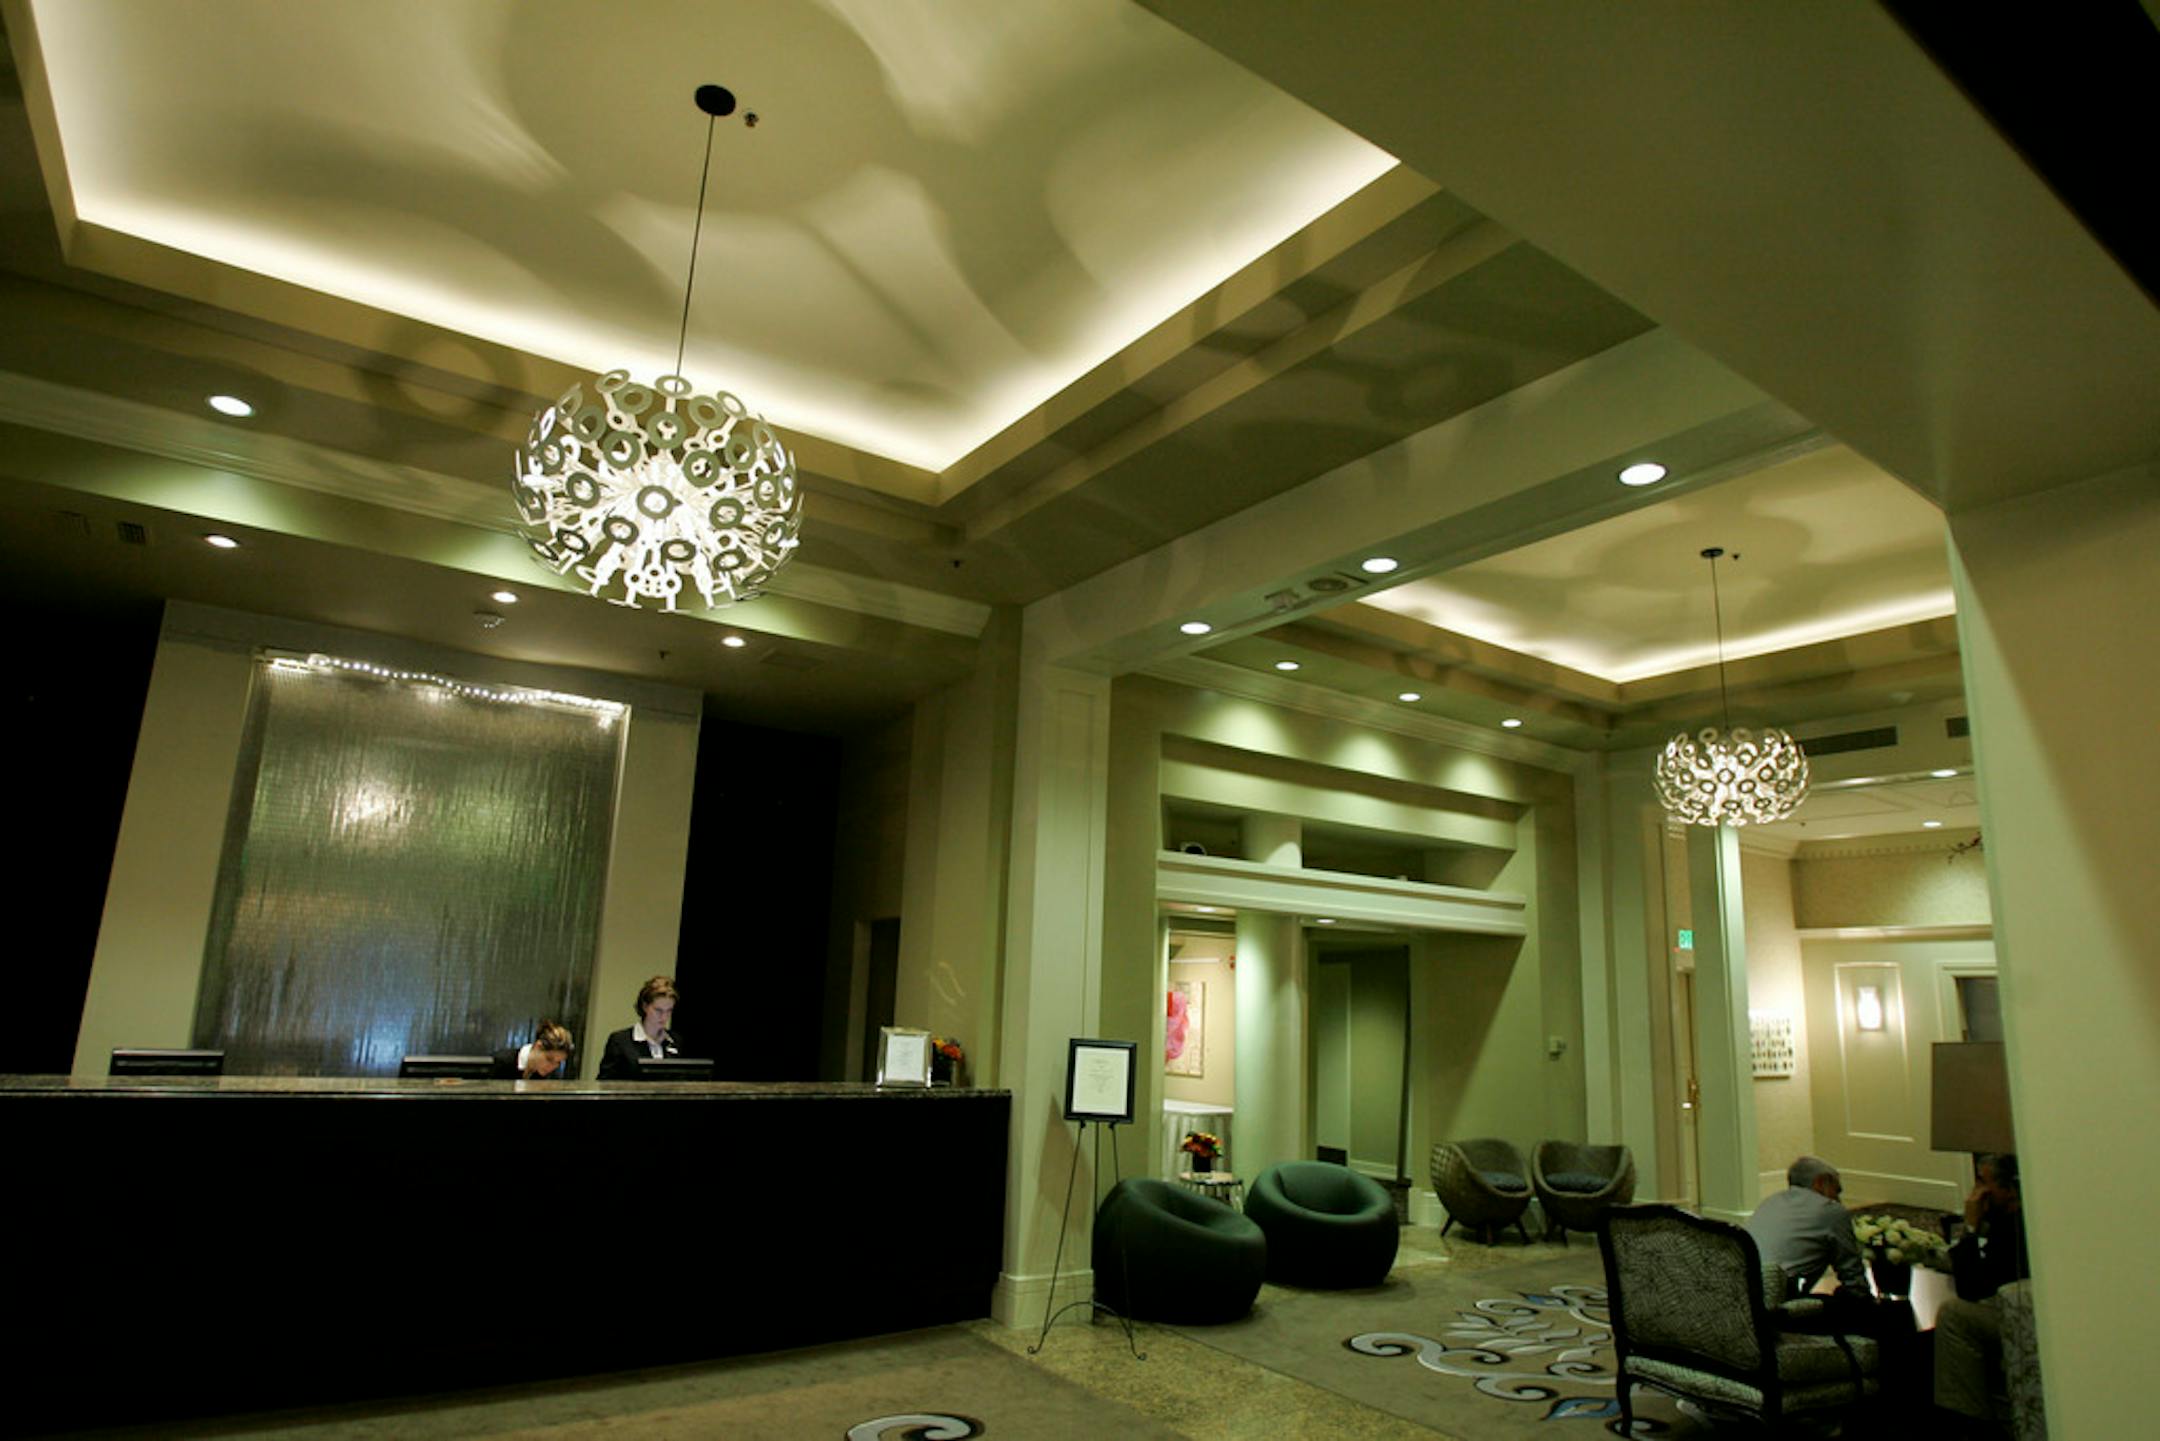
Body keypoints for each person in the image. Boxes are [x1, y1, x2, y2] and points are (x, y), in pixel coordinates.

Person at [1935, 1153, 2031, 1430]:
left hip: (2022, 1317)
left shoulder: (2018, 1226)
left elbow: (1971, 1288)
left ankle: (1968, 1421)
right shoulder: (2005, 1218)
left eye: (1982, 1183)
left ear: (2007, 1188)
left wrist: (1971, 1227)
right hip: (2010, 1304)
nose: (1976, 1193)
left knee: (1954, 1315)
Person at [1746, 1155, 1870, 1298]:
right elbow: (1852, 1275)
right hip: (1777, 1298)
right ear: (1820, 1182)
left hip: (1743, 1291)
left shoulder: (1770, 1202)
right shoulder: (1830, 1210)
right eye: (1836, 1190)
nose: (1838, 1200)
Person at [598, 975, 683, 1079]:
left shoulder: (675, 1041)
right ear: (645, 1006)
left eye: (669, 1010)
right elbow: (604, 1085)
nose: (664, 1017)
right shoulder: (620, 1041)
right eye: (658, 1010)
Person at [491, 1021, 573, 1080]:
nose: (552, 1067)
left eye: (558, 1062)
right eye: (549, 1059)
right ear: (538, 1046)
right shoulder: (501, 1062)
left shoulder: (545, 1077)